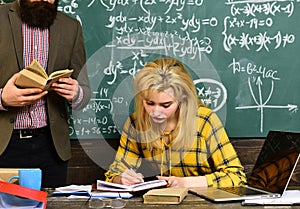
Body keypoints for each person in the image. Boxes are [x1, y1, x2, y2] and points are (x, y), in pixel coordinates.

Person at [105, 58, 246, 188]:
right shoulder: (136, 123)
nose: (156, 112)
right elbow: (114, 173)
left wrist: (186, 183)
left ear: (182, 99)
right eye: (149, 103)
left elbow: (236, 176)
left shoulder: (204, 121)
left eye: (165, 105)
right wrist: (121, 179)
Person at [0, 0, 91, 188]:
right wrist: (2, 99)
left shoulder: (71, 27)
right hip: (4, 146)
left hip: (51, 148)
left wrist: (76, 93)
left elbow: (84, 92)